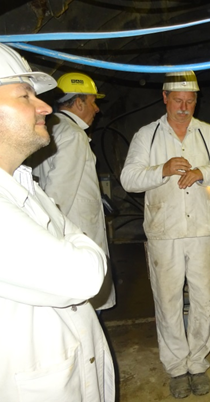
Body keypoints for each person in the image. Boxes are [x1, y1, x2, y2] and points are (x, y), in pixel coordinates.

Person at [0, 43, 115, 400]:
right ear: (79, 103)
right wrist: (76, 243)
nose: (45, 107)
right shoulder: (73, 135)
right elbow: (84, 271)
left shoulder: (22, 179)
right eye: (25, 96)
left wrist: (68, 238)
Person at [120, 71, 210, 399]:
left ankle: (197, 363)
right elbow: (129, 178)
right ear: (165, 98)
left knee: (203, 298)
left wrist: (203, 172)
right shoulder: (147, 135)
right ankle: (176, 367)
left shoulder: (209, 135)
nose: (184, 107)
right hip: (164, 231)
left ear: (196, 101)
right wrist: (163, 169)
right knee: (168, 299)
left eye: (190, 101)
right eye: (177, 100)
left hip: (201, 231)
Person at [31, 72, 115, 311]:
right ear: (79, 102)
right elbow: (59, 193)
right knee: (86, 306)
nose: (97, 109)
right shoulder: (73, 135)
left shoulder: (50, 129)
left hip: (66, 232)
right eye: (93, 102)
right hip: (76, 232)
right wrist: (53, 236)